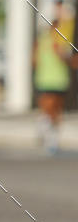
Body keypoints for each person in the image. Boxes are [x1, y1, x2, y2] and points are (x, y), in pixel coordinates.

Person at [33, 18, 77, 154]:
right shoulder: (56, 41)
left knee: (51, 111)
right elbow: (62, 57)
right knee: (53, 112)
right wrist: (73, 61)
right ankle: (51, 141)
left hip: (46, 79)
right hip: (55, 80)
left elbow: (33, 60)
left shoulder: (41, 40)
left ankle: (46, 134)